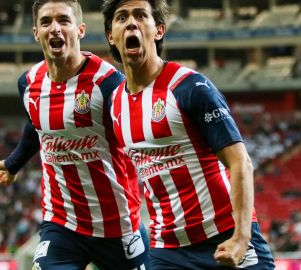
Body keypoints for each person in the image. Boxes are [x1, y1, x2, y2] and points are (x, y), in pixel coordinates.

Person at [102, 0, 275, 269]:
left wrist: (241, 239)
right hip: (168, 250)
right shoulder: (114, 104)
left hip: (224, 236)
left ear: (158, 30)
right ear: (111, 35)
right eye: (122, 17)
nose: (131, 23)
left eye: (140, 15)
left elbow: (241, 162)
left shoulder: (190, 87)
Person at [0, 1, 149, 269]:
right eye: (46, 22)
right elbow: (36, 125)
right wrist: (14, 162)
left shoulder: (108, 83)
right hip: (62, 223)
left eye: (63, 20)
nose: (55, 28)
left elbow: (139, 135)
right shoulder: (28, 84)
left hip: (117, 225)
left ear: (80, 30)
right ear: (35, 33)